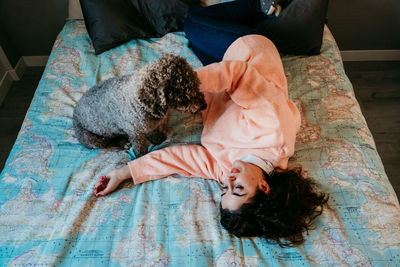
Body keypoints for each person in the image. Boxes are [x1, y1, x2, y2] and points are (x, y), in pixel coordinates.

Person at [94, 34, 328, 246]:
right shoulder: (272, 126)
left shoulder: (229, 171)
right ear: (264, 186)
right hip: (250, 49)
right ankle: (264, 10)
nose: (229, 180)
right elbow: (239, 74)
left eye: (224, 189)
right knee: (193, 23)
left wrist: (123, 173)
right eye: (237, 189)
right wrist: (183, 87)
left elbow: (179, 160)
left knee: (194, 41)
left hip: (220, 85)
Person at [183, 0, 293, 66]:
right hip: (254, 55)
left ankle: (261, 7)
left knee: (194, 35)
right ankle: (259, 6)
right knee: (192, 22)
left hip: (249, 58)